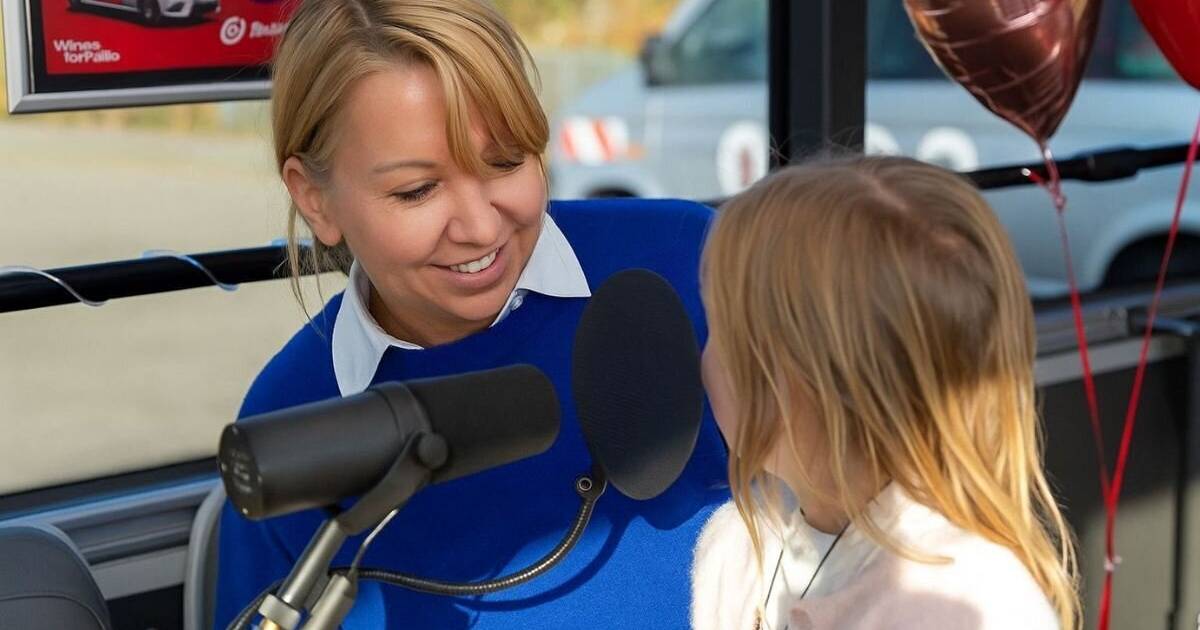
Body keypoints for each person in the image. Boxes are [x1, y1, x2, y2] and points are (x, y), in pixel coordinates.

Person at [212, 1, 728, 627]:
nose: (481, 226)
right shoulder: (289, 419)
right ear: (315, 199)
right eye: (417, 191)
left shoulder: (690, 264)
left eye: (506, 161)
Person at [693, 156, 1081, 629]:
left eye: (718, 330)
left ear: (809, 381)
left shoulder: (968, 603)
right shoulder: (735, 553)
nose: (700, 359)